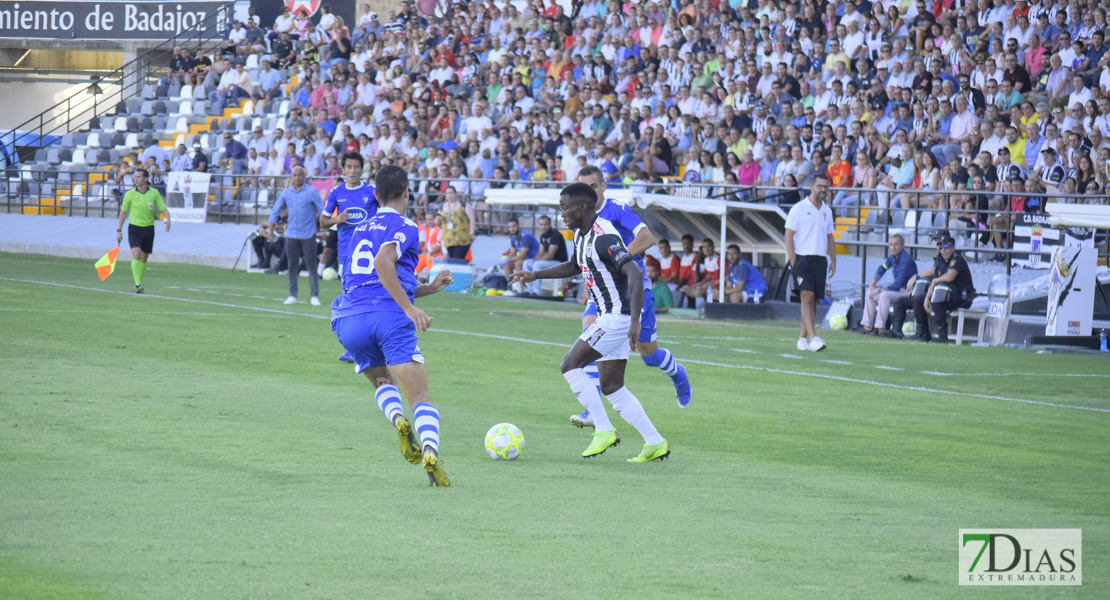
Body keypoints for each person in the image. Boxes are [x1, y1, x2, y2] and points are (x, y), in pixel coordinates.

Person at [510, 183, 670, 463]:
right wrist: (535, 276)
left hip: (616, 317)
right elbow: (574, 265)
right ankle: (655, 442)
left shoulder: (603, 236)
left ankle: (604, 430)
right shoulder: (581, 235)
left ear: (583, 207)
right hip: (613, 317)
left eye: (565, 208)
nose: (562, 214)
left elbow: (633, 271)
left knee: (569, 365)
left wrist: (634, 321)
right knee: (612, 387)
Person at [329, 165, 455, 486]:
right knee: (421, 398)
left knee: (384, 381)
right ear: (407, 193)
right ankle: (429, 454)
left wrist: (428, 289)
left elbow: (372, 279)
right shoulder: (406, 225)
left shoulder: (359, 229)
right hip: (388, 318)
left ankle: (398, 420)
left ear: (374, 196)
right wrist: (410, 307)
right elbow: (382, 263)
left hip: (349, 318)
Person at [571, 165, 691, 430]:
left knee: (649, 355)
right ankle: (593, 410)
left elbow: (647, 237)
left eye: (593, 186)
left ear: (603, 186)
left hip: (634, 290)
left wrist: (618, 258)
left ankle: (677, 373)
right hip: (605, 293)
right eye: (583, 187)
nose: (588, 192)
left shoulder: (617, 210)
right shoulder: (581, 219)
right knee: (590, 328)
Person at [784, 174, 836, 352]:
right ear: (812, 187)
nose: (823, 190)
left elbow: (830, 236)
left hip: (819, 259)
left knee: (813, 300)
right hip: (802, 259)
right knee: (806, 296)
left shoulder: (827, 211)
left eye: (826, 187)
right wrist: (793, 261)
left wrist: (833, 259)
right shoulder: (799, 209)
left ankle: (802, 338)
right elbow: (789, 236)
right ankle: (813, 337)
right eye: (820, 186)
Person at [269, 166, 324, 305]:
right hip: (292, 234)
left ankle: (314, 295)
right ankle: (292, 294)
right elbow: (276, 210)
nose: (297, 177)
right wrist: (270, 230)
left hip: (308, 235)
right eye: (295, 175)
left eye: (300, 175)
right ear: (291, 177)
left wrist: (326, 227)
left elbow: (322, 211)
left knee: (311, 266)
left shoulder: (312, 192)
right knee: (292, 265)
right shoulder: (287, 193)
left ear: (304, 176)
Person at [911, 232, 976, 342]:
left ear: (953, 247)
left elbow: (949, 277)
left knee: (938, 297)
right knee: (918, 299)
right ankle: (922, 333)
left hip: (962, 298)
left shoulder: (957, 259)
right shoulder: (940, 263)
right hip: (947, 297)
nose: (943, 249)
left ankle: (942, 335)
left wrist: (934, 282)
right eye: (941, 246)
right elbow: (934, 285)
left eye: (946, 246)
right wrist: (927, 298)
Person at [115, 168, 170, 294]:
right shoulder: (130, 194)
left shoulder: (154, 193)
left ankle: (139, 281)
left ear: (146, 179)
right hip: (134, 228)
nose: (136, 179)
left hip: (149, 228)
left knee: (144, 258)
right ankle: (137, 284)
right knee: (136, 254)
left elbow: (163, 208)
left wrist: (168, 218)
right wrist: (119, 230)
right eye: (135, 177)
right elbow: (123, 213)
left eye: (139, 177)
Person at [859, 234, 916, 334]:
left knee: (884, 295)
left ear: (902, 246)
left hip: (907, 291)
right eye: (891, 244)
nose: (893, 248)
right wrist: (873, 283)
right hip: (898, 290)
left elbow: (898, 284)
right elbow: (883, 268)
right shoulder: (892, 257)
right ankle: (867, 326)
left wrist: (878, 290)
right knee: (869, 294)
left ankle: (880, 328)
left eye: (896, 245)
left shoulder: (906, 260)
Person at [502, 217, 539, 293]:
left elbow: (522, 255)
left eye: (514, 226)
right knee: (507, 265)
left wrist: (507, 259)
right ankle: (511, 285)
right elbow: (512, 253)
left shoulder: (525, 236)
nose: (512, 229)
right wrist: (506, 260)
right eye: (510, 227)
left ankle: (520, 286)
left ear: (518, 225)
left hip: (535, 258)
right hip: (526, 259)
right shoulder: (513, 237)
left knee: (518, 263)